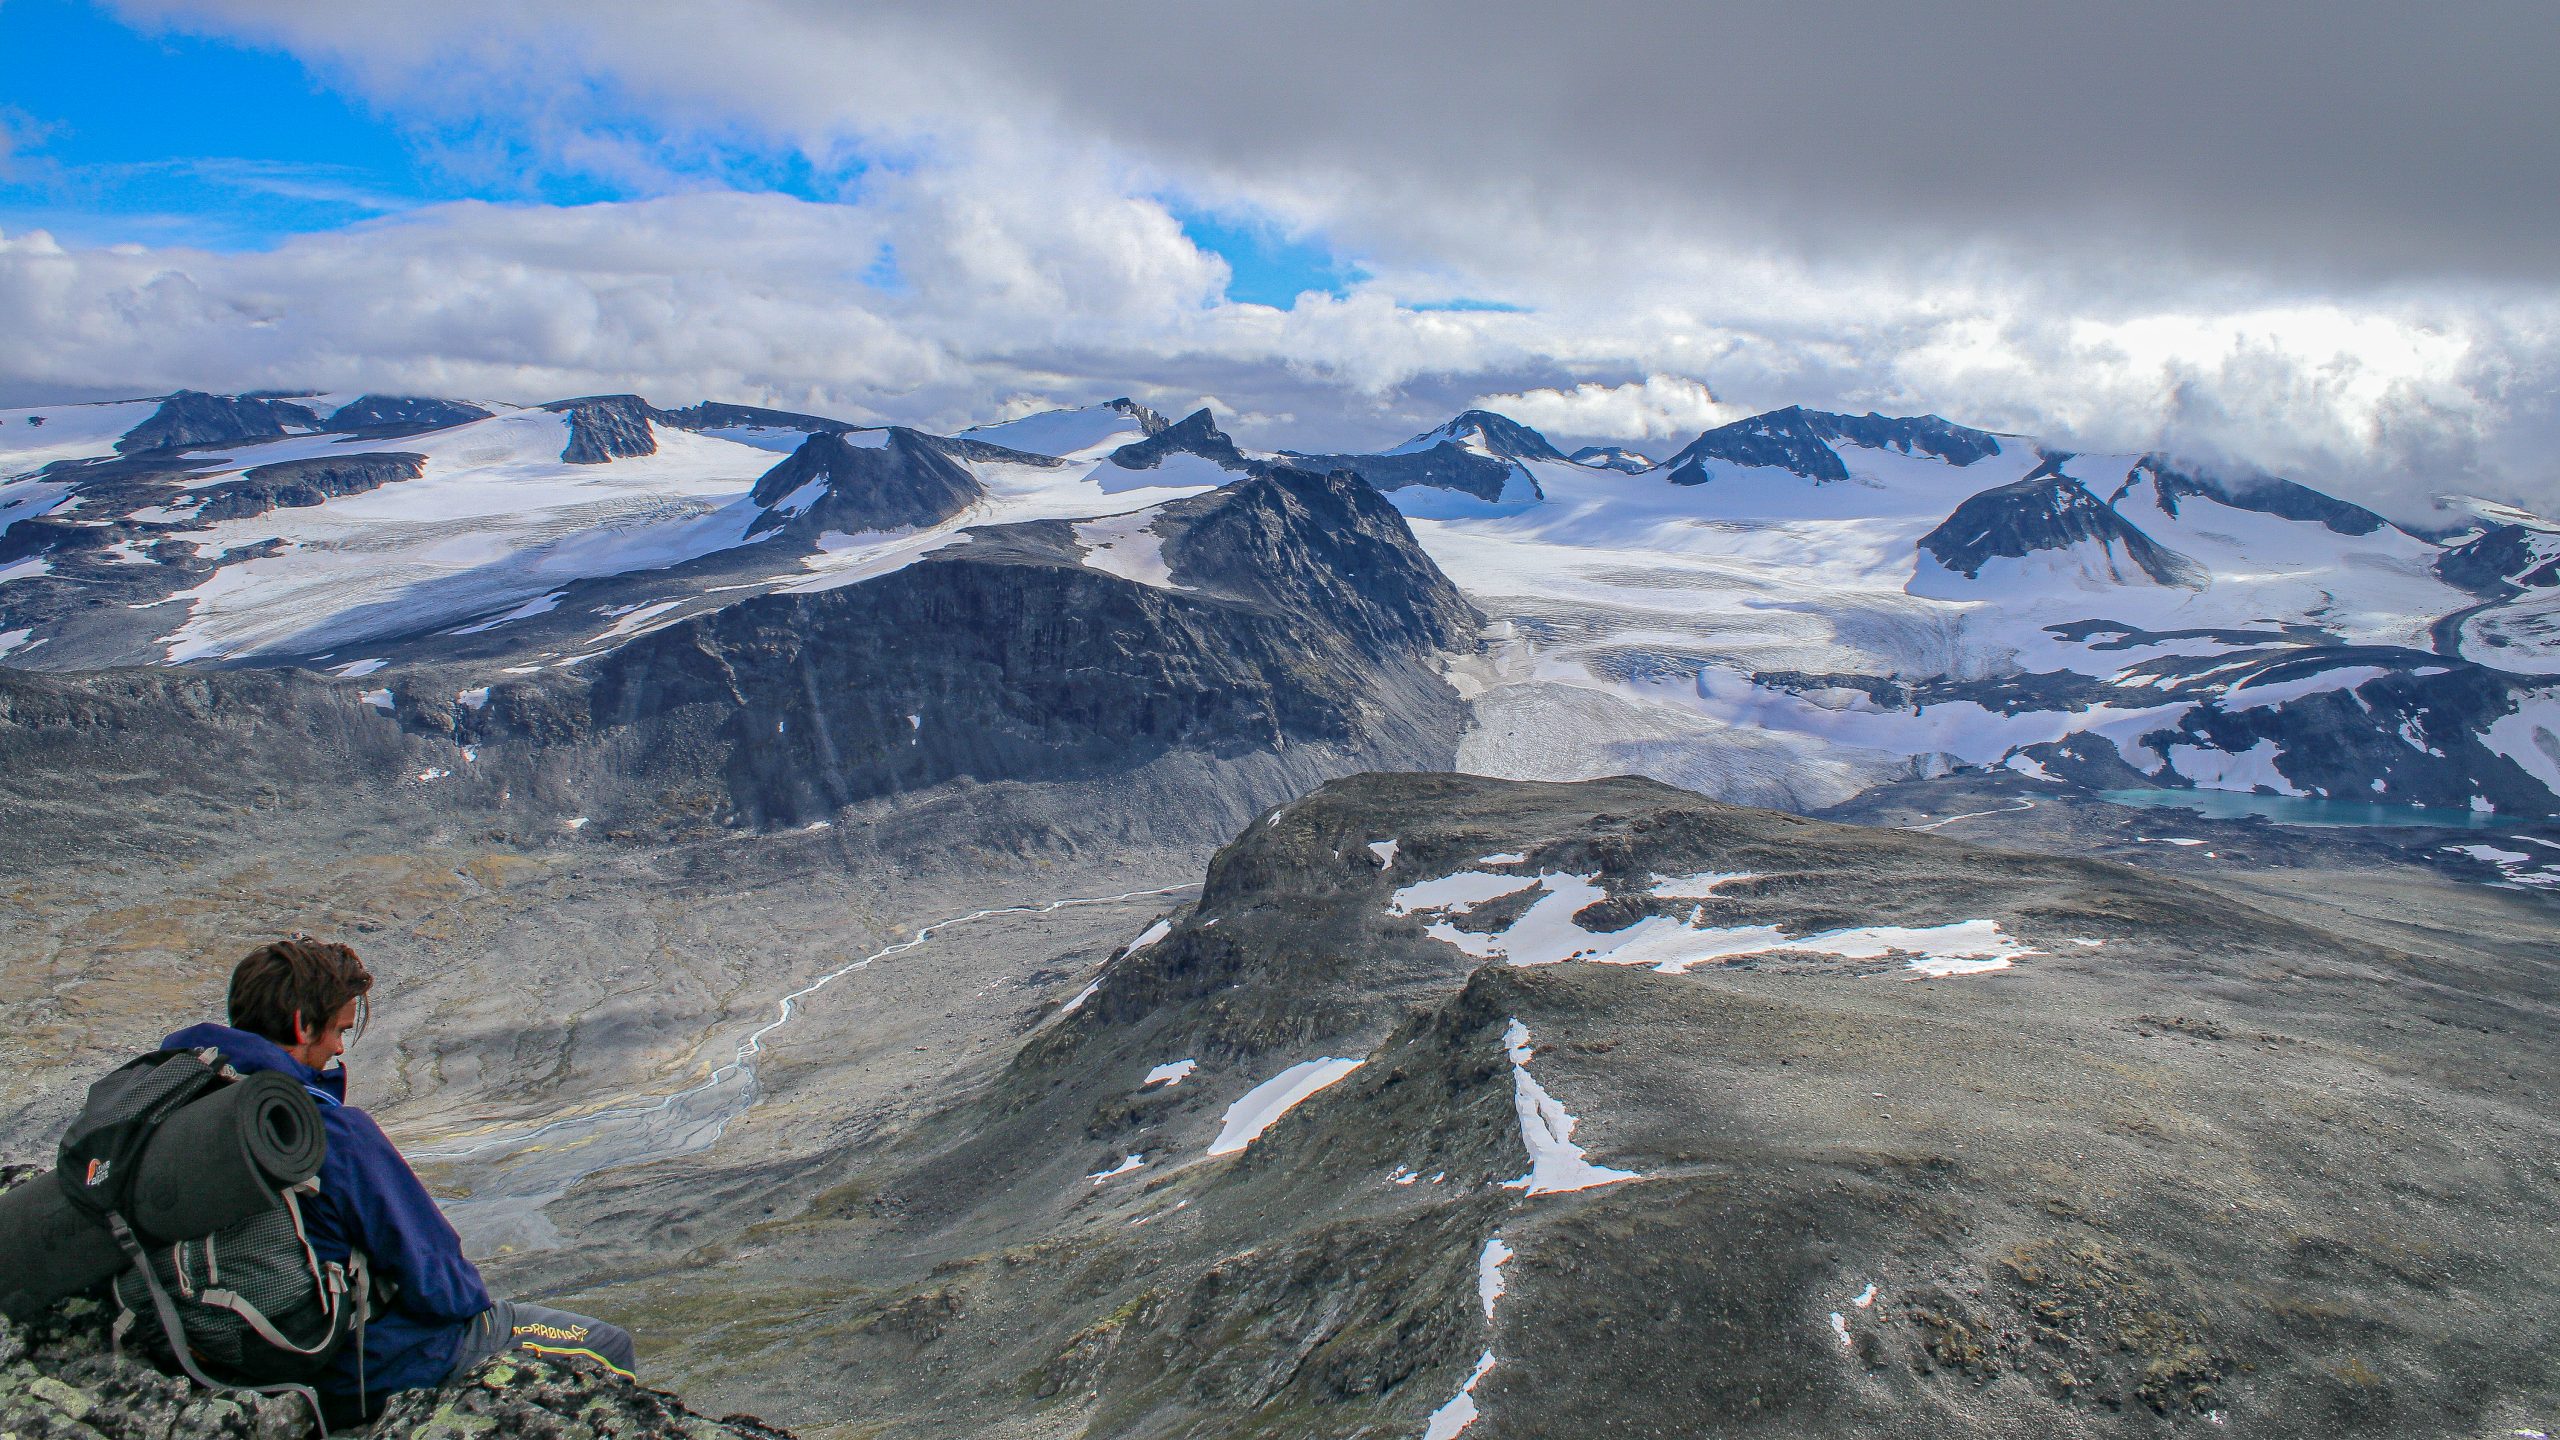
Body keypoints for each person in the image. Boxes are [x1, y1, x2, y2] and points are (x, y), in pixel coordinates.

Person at [160, 936, 638, 1425]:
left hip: (219, 1360)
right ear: (304, 1025)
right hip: (357, 1369)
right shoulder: (328, 1133)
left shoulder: (176, 1113)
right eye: (338, 1030)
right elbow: (443, 1288)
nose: (339, 1048)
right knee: (605, 1347)